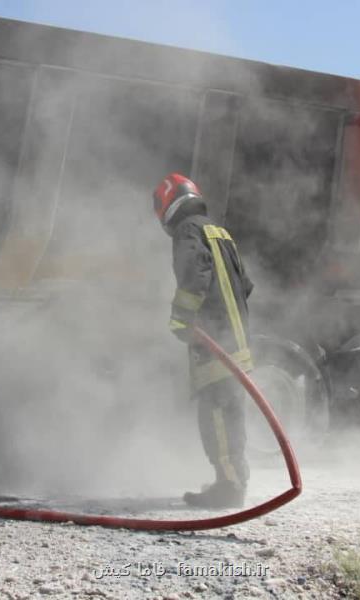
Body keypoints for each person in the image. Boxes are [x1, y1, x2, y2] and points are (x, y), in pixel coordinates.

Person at [152, 173, 255, 509]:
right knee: (232, 411)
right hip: (237, 336)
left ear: (166, 205)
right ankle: (236, 477)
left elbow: (194, 272)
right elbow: (248, 284)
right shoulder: (219, 231)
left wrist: (182, 317)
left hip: (214, 339)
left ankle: (228, 486)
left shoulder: (187, 231)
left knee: (214, 412)